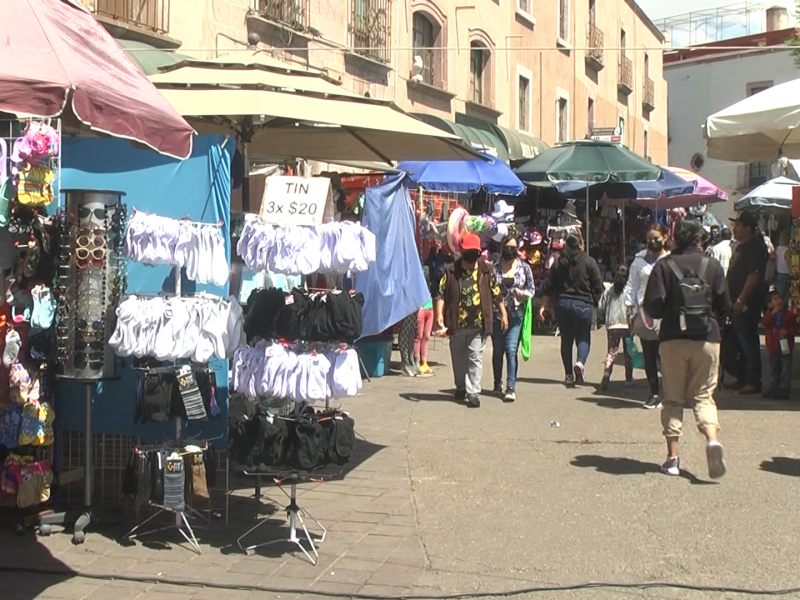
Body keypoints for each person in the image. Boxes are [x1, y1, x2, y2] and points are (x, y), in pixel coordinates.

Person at [643, 219, 730, 479]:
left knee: (673, 398)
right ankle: (712, 439)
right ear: (700, 239)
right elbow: (726, 304)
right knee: (704, 396)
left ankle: (672, 459)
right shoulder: (712, 266)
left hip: (673, 337)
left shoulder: (664, 265)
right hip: (707, 336)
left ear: (675, 238)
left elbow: (653, 305)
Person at [435, 232, 506, 408]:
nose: (472, 255)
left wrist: (503, 314)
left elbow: (497, 294)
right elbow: (440, 294)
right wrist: (438, 315)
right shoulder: (451, 271)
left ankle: (473, 392)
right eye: (468, 251)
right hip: (456, 323)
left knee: (475, 357)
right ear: (461, 250)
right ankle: (460, 386)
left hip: (479, 324)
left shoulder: (486, 270)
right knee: (459, 359)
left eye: (475, 251)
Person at [540, 233, 603, 386]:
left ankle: (568, 375)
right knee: (583, 337)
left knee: (566, 340)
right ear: (581, 243)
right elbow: (598, 286)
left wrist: (544, 305)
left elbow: (548, 285)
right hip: (583, 304)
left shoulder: (559, 262)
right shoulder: (589, 262)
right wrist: (593, 301)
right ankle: (580, 363)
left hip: (562, 304)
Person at [624, 224, 669, 408]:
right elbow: (631, 286)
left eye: (656, 238)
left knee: (667, 355)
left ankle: (670, 392)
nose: (652, 241)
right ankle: (654, 393)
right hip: (645, 313)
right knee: (649, 354)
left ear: (665, 238)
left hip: (666, 314)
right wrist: (629, 311)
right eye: (650, 238)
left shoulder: (670, 259)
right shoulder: (638, 260)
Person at [726, 212, 769, 394]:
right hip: (737, 301)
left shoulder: (755, 247)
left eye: (738, 225)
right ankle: (742, 377)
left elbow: (754, 275)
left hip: (747, 303)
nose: (734, 229)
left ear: (748, 228)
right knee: (739, 342)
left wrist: (741, 298)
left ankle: (753, 380)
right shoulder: (741, 246)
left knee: (748, 341)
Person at [492, 234, 534, 402]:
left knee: (510, 350)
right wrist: (502, 313)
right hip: (497, 315)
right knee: (498, 351)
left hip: (516, 315)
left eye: (513, 247)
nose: (510, 250)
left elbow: (531, 289)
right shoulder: (494, 267)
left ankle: (510, 387)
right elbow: (492, 290)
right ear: (502, 248)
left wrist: (523, 295)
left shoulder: (524, 268)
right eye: (507, 247)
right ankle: (497, 383)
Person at [598, 266, 633, 391]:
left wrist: (602, 317)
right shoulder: (629, 290)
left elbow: (601, 306)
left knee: (612, 351)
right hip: (627, 324)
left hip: (612, 325)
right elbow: (634, 307)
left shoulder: (608, 290)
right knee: (628, 352)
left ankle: (607, 373)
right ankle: (628, 379)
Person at [761, 290, 797, 399]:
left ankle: (784, 388)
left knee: (786, 368)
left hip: (785, 346)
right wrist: (772, 313)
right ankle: (773, 387)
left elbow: (795, 328)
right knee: (774, 368)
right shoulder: (769, 314)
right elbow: (765, 323)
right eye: (775, 299)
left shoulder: (790, 315)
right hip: (773, 346)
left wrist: (788, 331)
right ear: (770, 304)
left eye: (780, 298)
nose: (779, 301)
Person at [413, 297, 434, 377]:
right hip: (420, 309)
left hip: (430, 308)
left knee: (426, 336)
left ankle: (424, 362)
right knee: (419, 336)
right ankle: (417, 362)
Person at [774, 229, 791, 304]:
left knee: (780, 297)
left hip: (778, 274)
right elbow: (789, 263)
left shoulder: (778, 248)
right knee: (785, 298)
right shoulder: (787, 250)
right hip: (786, 275)